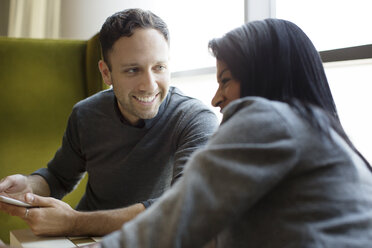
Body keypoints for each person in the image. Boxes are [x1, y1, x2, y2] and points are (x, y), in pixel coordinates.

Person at [75, 18, 371, 247]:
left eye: (226, 80)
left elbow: (184, 211)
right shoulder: (321, 137)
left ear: (263, 77)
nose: (216, 98)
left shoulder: (268, 117)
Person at [0, 8, 218, 236]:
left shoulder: (195, 120)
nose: (150, 85)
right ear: (106, 73)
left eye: (159, 67)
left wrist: (75, 222)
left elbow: (184, 205)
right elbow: (58, 177)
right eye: (133, 70)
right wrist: (28, 186)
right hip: (85, 239)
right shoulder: (85, 114)